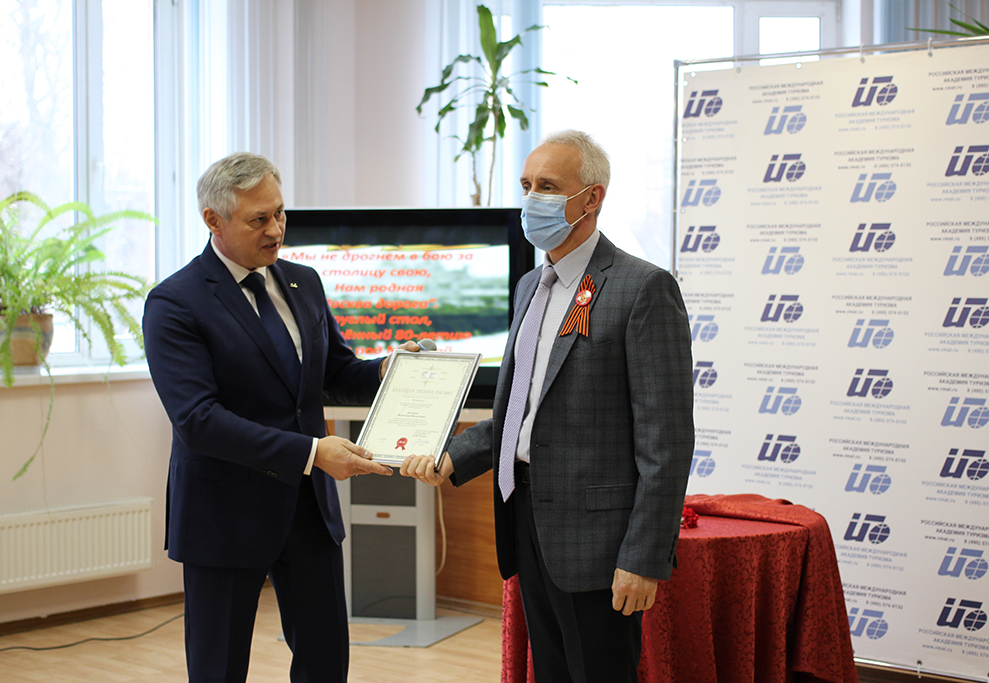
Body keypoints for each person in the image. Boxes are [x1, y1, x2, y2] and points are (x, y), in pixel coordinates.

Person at [400, 130, 695, 683]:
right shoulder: (530, 286)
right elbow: (521, 410)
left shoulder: (642, 288)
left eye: (548, 186)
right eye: (526, 185)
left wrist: (643, 557)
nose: (532, 199)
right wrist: (452, 455)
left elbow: (668, 442)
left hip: (600, 543)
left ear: (592, 198)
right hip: (527, 521)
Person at [143, 152, 406, 683]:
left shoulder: (303, 281)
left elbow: (336, 373)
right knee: (218, 670)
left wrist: (392, 368)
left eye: (280, 213)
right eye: (258, 219)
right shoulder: (175, 302)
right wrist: (311, 452)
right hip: (225, 514)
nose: (276, 229)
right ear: (213, 220)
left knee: (325, 663)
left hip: (309, 511)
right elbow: (198, 420)